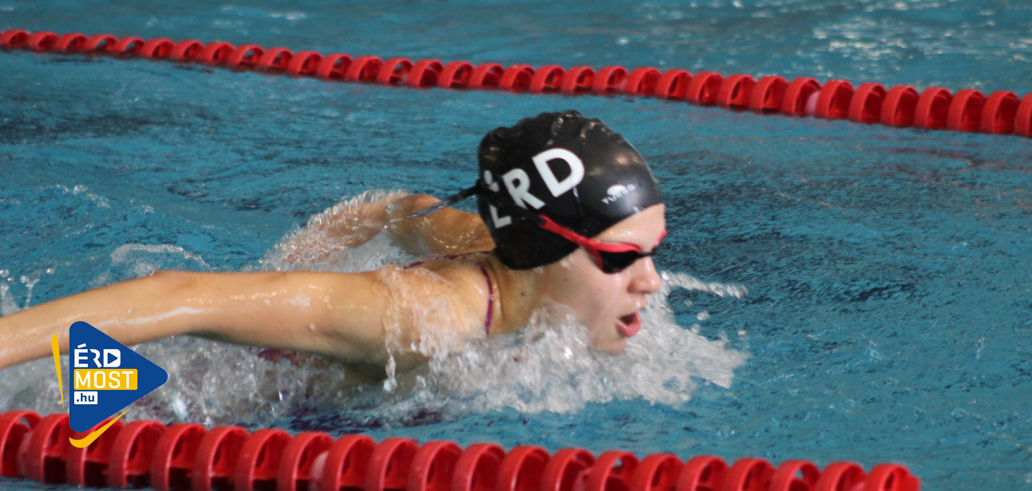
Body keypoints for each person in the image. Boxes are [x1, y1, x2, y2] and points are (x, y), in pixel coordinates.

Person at [0, 111, 667, 381]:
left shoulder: (495, 240)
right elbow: (178, 294)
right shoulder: (420, 319)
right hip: (140, 394)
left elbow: (398, 208)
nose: (652, 281)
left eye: (650, 250)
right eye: (619, 258)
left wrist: (304, 254)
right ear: (543, 250)